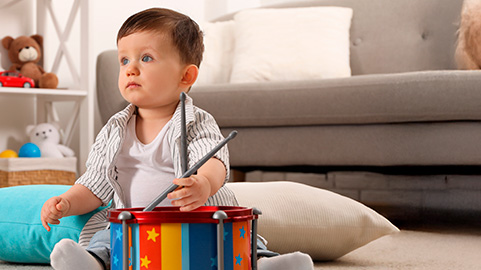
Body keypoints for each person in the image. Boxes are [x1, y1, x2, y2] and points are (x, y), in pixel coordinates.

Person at [41, 7, 313, 270]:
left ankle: (266, 263)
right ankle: (92, 263)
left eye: (146, 58)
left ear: (186, 76)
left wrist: (204, 183)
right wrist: (66, 202)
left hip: (200, 221)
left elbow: (214, 159)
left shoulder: (196, 121)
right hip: (135, 226)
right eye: (124, 60)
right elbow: (94, 184)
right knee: (105, 238)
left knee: (243, 242)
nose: (130, 69)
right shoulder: (114, 129)